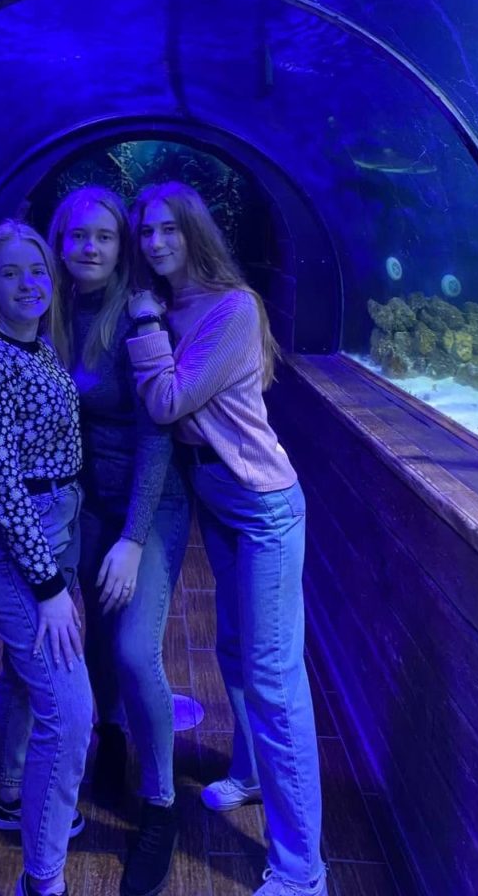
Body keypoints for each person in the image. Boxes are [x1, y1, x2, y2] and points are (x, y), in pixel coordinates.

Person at [126, 182, 326, 896]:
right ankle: (249, 774)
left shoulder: (233, 307)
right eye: (145, 231)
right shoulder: (170, 302)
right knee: (235, 652)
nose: (155, 243)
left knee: (273, 678)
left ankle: (302, 872)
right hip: (216, 494)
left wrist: (144, 322)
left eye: (169, 230)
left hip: (262, 504)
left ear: (195, 232)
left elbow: (167, 401)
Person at [47, 187, 190, 896]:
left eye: (104, 236)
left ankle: (161, 805)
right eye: (78, 236)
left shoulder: (138, 314)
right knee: (95, 639)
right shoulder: (49, 310)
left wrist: (132, 540)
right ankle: (109, 739)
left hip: (148, 503)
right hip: (84, 504)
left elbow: (156, 434)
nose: (90, 248)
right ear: (60, 242)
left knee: (135, 648)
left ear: (121, 246)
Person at [0, 220, 92, 896]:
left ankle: (10, 795)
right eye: (10, 272)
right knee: (69, 713)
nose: (28, 282)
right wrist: (48, 586)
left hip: (57, 527)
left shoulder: (38, 346)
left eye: (36, 269)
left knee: (22, 677)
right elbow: (0, 481)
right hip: (17, 544)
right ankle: (43, 880)